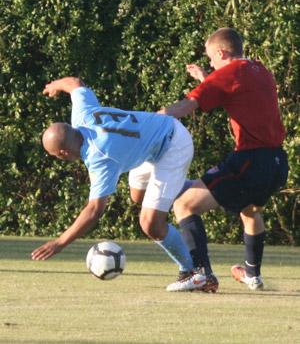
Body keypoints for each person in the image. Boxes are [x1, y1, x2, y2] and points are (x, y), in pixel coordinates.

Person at [31, 76, 208, 291]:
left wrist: (59, 243)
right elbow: (75, 84)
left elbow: (94, 210)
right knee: (138, 196)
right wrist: (54, 86)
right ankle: (200, 191)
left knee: (150, 223)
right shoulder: (82, 117)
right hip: (153, 141)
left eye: (55, 156)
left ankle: (192, 273)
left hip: (172, 145)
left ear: (63, 153)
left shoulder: (100, 157)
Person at [160, 28, 288, 291]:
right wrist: (208, 78)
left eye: (211, 58)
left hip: (251, 159)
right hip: (276, 161)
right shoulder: (258, 69)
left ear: (221, 52)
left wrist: (151, 119)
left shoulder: (228, 74)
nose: (210, 63)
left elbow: (186, 106)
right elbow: (235, 93)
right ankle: (252, 273)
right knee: (250, 210)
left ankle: (200, 273)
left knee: (184, 204)